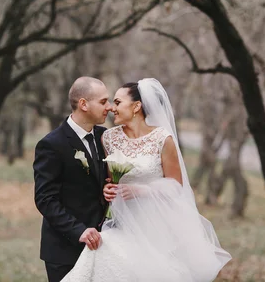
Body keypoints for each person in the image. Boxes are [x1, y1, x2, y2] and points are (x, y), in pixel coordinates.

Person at [61, 78, 232, 281]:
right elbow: (109, 179)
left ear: (136, 106)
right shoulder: (108, 138)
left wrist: (142, 190)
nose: (111, 108)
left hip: (158, 227)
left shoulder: (162, 139)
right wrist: (108, 189)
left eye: (117, 102)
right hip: (122, 225)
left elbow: (176, 186)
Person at [33, 76, 112, 282]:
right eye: (103, 102)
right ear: (83, 104)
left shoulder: (105, 137)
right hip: (65, 250)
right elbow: (45, 199)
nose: (109, 107)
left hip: (104, 246)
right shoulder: (51, 144)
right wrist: (79, 231)